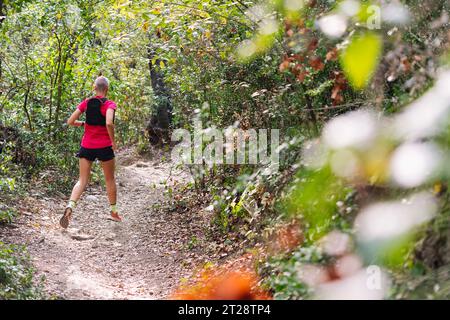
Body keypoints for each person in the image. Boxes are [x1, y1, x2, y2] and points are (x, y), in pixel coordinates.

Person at [60, 76, 122, 229]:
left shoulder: (86, 103)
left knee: (82, 180)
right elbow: (108, 122)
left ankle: (70, 206)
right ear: (106, 89)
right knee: (109, 179)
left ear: (95, 88)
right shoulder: (109, 104)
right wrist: (113, 141)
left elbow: (70, 121)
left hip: (87, 146)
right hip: (104, 147)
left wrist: (84, 124)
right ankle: (113, 212)